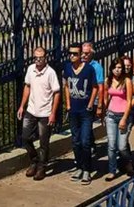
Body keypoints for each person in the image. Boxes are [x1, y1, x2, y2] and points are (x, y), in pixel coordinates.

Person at [16, 46, 60, 181]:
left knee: (43, 142)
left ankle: (41, 166)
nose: (38, 60)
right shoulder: (31, 69)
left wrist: (53, 113)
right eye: (36, 58)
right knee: (25, 138)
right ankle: (34, 160)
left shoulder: (50, 73)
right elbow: (27, 87)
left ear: (45, 58)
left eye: (40, 58)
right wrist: (22, 106)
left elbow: (56, 93)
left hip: (45, 112)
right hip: (31, 110)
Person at [63, 43, 99, 184]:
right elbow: (66, 85)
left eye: (75, 54)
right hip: (73, 110)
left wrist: (91, 104)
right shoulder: (67, 68)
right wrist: (68, 104)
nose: (72, 56)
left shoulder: (89, 70)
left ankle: (87, 170)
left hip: (85, 111)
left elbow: (95, 87)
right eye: (70, 53)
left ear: (80, 56)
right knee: (75, 141)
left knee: (85, 141)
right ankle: (79, 166)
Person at [102, 56, 134, 180]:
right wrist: (104, 113)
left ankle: (128, 161)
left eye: (120, 68)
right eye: (115, 67)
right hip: (111, 116)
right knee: (111, 145)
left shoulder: (127, 81)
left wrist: (124, 118)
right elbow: (106, 98)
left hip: (124, 115)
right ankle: (112, 170)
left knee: (122, 146)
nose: (117, 70)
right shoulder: (108, 80)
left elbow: (130, 100)